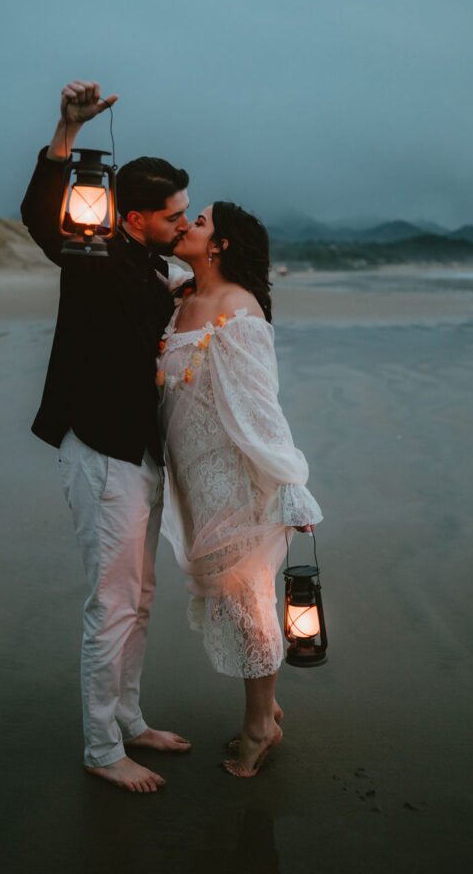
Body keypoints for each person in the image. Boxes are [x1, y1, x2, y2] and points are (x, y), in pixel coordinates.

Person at [21, 80, 192, 793]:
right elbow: (40, 216)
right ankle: (100, 749)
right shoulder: (90, 255)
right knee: (111, 604)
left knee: (142, 596)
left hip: (144, 456)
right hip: (101, 453)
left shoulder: (160, 267)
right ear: (130, 218)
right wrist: (66, 133)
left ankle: (129, 717)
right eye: (172, 216)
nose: (183, 224)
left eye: (186, 214)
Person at [157, 201, 323, 777]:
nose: (186, 227)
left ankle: (259, 727)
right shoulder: (181, 295)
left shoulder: (239, 311)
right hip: (195, 476)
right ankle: (266, 706)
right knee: (226, 590)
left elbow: (262, 408)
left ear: (221, 244)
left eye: (198, 222)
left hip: (232, 477)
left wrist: (291, 484)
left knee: (245, 595)